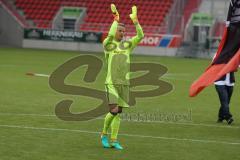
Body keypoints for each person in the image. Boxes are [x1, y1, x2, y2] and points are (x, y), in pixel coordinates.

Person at [100, 4, 144, 150]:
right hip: (111, 83)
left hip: (124, 84)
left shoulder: (127, 45)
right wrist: (116, 19)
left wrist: (136, 21)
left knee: (118, 113)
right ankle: (103, 135)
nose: (122, 33)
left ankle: (114, 140)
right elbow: (110, 35)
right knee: (113, 111)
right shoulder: (108, 44)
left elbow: (140, 36)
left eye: (124, 31)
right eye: (120, 30)